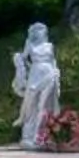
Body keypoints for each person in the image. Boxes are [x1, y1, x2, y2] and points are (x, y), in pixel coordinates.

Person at [11, 21, 62, 149]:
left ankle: (38, 135)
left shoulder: (50, 46)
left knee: (43, 105)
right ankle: (27, 130)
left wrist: (56, 73)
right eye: (38, 31)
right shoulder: (30, 44)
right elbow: (23, 58)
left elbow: (53, 61)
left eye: (43, 31)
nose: (41, 33)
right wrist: (17, 60)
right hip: (35, 75)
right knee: (30, 102)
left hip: (49, 74)